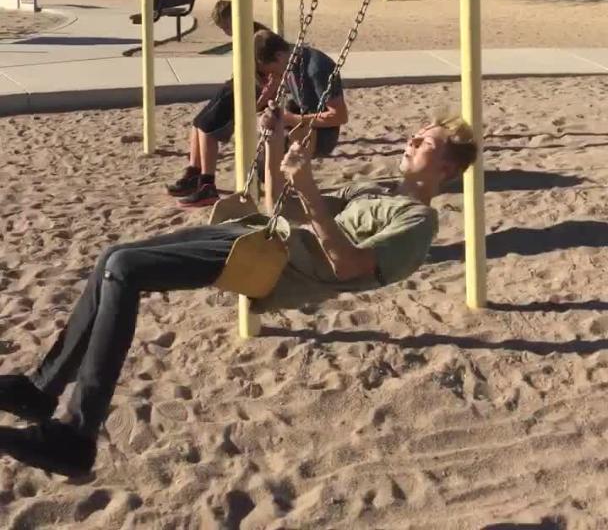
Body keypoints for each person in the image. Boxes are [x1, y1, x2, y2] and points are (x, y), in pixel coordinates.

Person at [0, 107, 477, 477]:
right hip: (257, 235)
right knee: (112, 257)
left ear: (450, 170)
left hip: (274, 263)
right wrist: (275, 147)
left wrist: (309, 191)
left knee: (124, 268)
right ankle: (41, 390)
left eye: (426, 141)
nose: (411, 140)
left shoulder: (417, 221)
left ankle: (76, 437)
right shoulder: (376, 188)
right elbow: (281, 204)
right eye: (415, 133)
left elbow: (348, 266)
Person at [167, 0, 272, 206]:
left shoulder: (257, 36)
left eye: (225, 26)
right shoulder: (246, 32)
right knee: (198, 123)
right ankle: (194, 172)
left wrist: (261, 100)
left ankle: (208, 185)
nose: (225, 31)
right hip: (236, 84)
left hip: (249, 88)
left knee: (208, 127)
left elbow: (271, 74)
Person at [253, 29, 348, 158]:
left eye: (268, 71)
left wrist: (291, 119)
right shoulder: (288, 61)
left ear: (279, 56)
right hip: (301, 121)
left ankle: (270, 177)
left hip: (322, 135)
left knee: (267, 149)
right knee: (256, 135)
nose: (269, 75)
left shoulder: (317, 69)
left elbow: (340, 116)